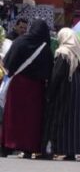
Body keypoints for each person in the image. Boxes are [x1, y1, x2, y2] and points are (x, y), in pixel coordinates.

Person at [1, 19, 53, 158]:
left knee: (13, 115)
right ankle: (28, 148)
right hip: (36, 89)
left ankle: (7, 145)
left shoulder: (20, 42)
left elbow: (8, 64)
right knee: (32, 119)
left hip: (18, 85)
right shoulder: (45, 49)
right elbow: (49, 71)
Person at [43, 28, 80, 160]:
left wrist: (49, 92)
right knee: (75, 121)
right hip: (78, 92)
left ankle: (61, 148)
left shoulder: (63, 53)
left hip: (65, 91)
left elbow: (57, 75)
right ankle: (72, 151)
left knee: (64, 119)